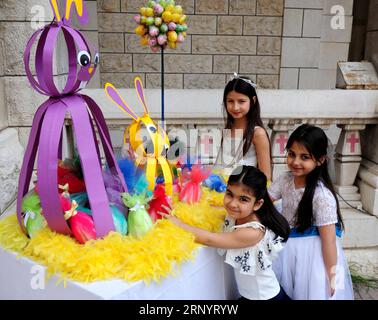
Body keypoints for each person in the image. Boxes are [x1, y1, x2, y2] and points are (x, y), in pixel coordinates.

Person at [160, 165, 291, 300]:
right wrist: (179, 208)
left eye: (243, 199)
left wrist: (178, 224)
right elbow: (210, 209)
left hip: (265, 297)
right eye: (229, 194)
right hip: (249, 295)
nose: (233, 203)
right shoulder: (238, 214)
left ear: (257, 204)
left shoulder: (252, 232)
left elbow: (209, 239)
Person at [268, 124, 354, 300]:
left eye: (304, 157)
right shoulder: (285, 179)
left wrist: (332, 278)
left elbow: (328, 241)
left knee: (307, 291)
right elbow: (264, 201)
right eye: (291, 154)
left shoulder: (322, 197)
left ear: (320, 160)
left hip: (311, 255)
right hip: (286, 246)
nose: (295, 162)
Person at [214, 73, 271, 181]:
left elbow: (266, 175)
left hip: (245, 190)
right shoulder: (225, 130)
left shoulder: (257, 133)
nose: (235, 107)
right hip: (221, 189)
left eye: (241, 101)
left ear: (253, 100)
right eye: (230, 101)